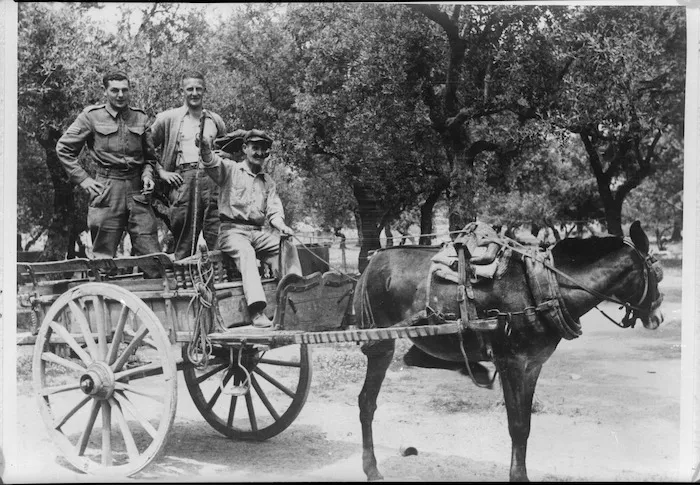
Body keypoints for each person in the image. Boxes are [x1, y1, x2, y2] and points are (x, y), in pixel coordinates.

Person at [198, 129, 302, 328]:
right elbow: (210, 161)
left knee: (287, 246)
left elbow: (274, 209)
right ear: (245, 149)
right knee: (246, 253)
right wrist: (204, 147)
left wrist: (281, 225)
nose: (259, 153)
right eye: (255, 148)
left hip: (257, 232)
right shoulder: (230, 170)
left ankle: (294, 298)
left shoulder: (268, 182)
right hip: (232, 232)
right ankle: (257, 311)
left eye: (264, 150)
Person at [56, 71, 161, 261]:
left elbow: (150, 158)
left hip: (138, 191)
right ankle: (101, 290)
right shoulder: (91, 117)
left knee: (152, 254)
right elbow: (64, 148)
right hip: (107, 189)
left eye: (124, 90)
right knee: (102, 257)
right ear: (105, 91)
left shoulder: (140, 118)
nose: (120, 95)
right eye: (114, 90)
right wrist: (83, 179)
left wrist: (148, 175)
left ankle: (159, 288)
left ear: (129, 91)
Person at [148, 71, 227, 260]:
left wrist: (224, 155)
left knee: (216, 231)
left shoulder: (215, 120)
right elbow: (146, 147)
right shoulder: (168, 118)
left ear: (205, 90)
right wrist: (162, 172)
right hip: (182, 180)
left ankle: (218, 281)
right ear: (182, 90)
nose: (194, 93)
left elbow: (226, 148)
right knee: (184, 234)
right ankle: (184, 284)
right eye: (190, 89)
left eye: (198, 89)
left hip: (212, 180)